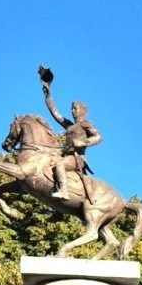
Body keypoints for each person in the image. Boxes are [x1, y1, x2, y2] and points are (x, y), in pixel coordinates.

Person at [37, 65, 101, 200]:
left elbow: (98, 137)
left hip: (77, 158)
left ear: (82, 111)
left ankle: (64, 192)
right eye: (72, 109)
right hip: (64, 155)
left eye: (75, 109)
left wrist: (83, 142)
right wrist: (48, 94)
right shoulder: (70, 126)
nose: (73, 111)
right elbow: (56, 114)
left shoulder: (86, 124)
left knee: (59, 165)